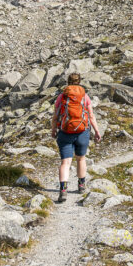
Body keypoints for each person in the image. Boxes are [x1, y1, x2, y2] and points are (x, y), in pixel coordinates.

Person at [51, 73, 101, 203]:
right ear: (79, 82)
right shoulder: (85, 96)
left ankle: (63, 190)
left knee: (65, 162)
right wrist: (96, 131)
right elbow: (91, 116)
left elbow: (55, 116)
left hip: (65, 132)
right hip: (82, 132)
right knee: (81, 159)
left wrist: (53, 130)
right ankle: (81, 185)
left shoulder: (62, 97)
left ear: (67, 82)